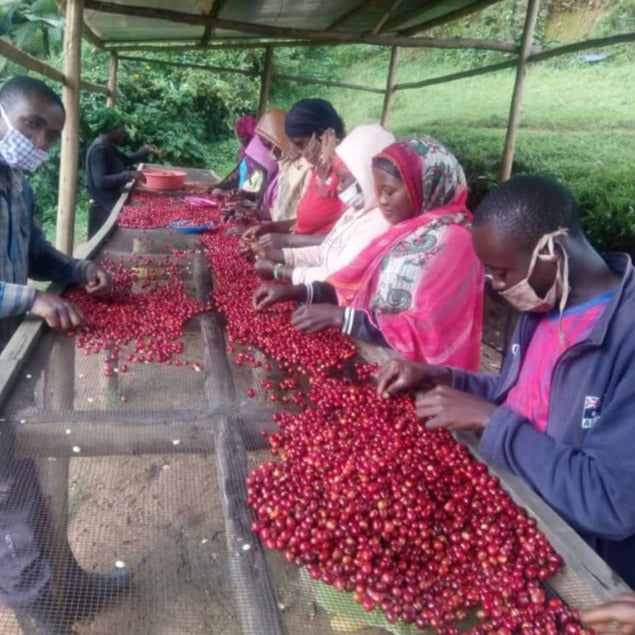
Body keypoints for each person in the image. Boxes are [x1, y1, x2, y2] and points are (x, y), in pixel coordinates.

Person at [376, 175, 635, 588]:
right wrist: (442, 375)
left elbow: (610, 503)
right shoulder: (547, 302)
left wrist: (491, 421)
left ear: (552, 251)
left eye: (500, 273)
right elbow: (520, 397)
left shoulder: (625, 338)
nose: (496, 287)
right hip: (514, 505)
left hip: (577, 562)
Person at [0, 76, 132, 633]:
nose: (42, 142)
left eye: (51, 134)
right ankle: (38, 615)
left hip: (7, 347)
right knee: (10, 495)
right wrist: (31, 298)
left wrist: (76, 270)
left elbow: (34, 251)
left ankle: (68, 583)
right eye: (32, 125)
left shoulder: (18, 184)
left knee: (27, 474)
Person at [253, 135, 484, 369]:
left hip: (425, 383)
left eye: (390, 191)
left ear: (422, 185)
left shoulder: (454, 242)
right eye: (378, 189)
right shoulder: (403, 229)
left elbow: (429, 330)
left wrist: (340, 317)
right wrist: (294, 291)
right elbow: (353, 284)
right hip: (380, 363)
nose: (381, 200)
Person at [253, 123, 394, 284]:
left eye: (342, 179)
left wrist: (280, 270)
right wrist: (281, 255)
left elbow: (337, 277)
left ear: (365, 175)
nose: (339, 188)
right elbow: (325, 251)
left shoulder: (379, 224)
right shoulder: (355, 212)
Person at [241, 98, 346, 250]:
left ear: (321, 134)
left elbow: (342, 237)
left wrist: (286, 241)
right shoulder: (319, 168)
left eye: (300, 143)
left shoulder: (346, 174)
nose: (297, 151)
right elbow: (303, 221)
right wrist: (271, 228)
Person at [85, 106, 159, 238]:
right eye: (121, 128)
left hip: (110, 203)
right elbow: (101, 181)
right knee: (101, 244)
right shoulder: (99, 149)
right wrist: (129, 175)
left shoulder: (108, 147)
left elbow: (127, 160)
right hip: (101, 209)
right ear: (110, 129)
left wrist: (145, 151)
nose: (123, 132)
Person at [212, 113, 257, 192]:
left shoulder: (259, 156)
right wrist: (220, 186)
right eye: (239, 136)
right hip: (242, 195)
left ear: (252, 135)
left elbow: (258, 187)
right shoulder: (244, 151)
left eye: (243, 136)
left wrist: (221, 186)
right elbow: (237, 175)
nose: (241, 140)